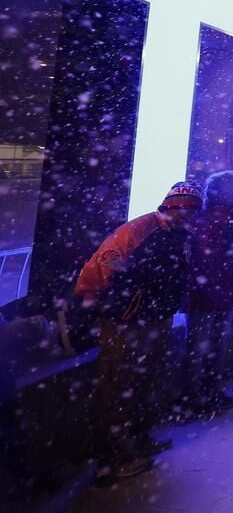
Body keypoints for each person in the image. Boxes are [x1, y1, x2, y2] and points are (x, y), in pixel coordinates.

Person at [75, 181, 201, 484]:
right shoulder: (140, 229)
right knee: (118, 384)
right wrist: (122, 300)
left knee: (144, 379)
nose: (185, 214)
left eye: (191, 209)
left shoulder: (180, 235)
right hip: (125, 320)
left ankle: (138, 440)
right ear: (169, 205)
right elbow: (103, 265)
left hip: (153, 317)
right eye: (180, 207)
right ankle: (110, 458)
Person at [182, 170, 233, 419]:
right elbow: (222, 258)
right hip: (214, 294)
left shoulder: (207, 219)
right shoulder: (229, 220)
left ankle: (199, 397)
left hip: (210, 293)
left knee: (202, 347)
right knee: (208, 346)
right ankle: (200, 396)